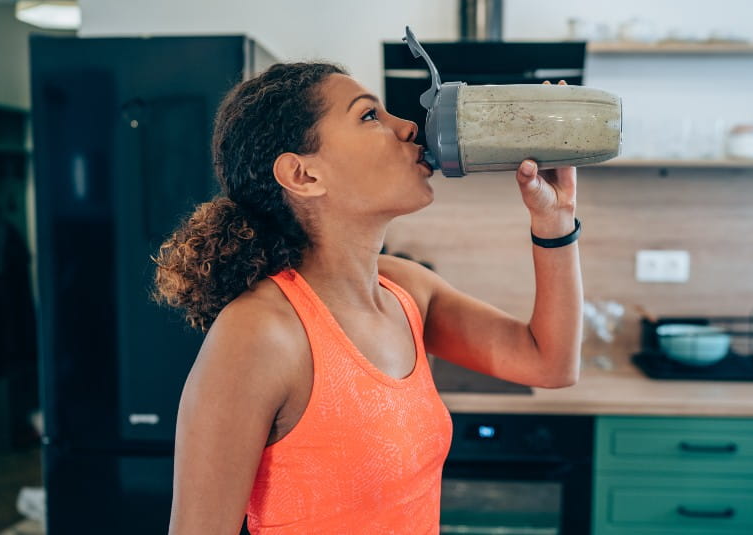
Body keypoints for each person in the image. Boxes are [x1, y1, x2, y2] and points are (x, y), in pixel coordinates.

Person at [153, 62, 582, 535]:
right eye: (368, 116)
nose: (408, 126)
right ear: (303, 174)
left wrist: (555, 222)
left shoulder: (406, 292)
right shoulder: (260, 333)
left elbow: (551, 364)